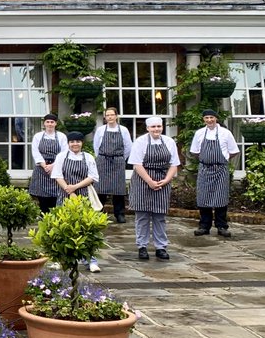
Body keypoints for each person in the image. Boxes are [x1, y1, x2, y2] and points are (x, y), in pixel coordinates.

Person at [128, 116, 180, 261]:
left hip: (163, 179)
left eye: (159, 126)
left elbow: (174, 164)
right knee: (142, 216)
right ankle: (142, 246)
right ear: (147, 128)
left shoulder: (169, 142)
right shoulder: (140, 142)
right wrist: (150, 181)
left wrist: (166, 180)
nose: (156, 129)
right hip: (143, 180)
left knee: (159, 216)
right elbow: (137, 164)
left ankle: (161, 247)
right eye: (153, 127)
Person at [52, 131, 102, 272]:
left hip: (84, 194)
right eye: (72, 142)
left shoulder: (88, 157)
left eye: (78, 142)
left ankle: (90, 261)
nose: (75, 144)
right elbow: (57, 175)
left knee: (85, 228)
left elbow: (92, 176)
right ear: (68, 143)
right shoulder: (61, 157)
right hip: (65, 194)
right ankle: (59, 260)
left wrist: (75, 187)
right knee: (62, 227)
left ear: (82, 143)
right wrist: (70, 191)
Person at [190, 109, 240, 237]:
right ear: (203, 119)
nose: (209, 120)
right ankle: (204, 226)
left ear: (216, 118)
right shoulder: (200, 133)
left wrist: (224, 159)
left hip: (221, 169)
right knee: (203, 198)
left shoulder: (225, 133)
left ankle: (222, 226)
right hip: (204, 169)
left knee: (221, 198)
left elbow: (234, 151)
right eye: (206, 118)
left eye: (211, 117)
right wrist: (206, 160)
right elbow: (195, 151)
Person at [93, 107, 133, 223]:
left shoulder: (123, 130)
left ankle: (119, 214)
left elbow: (128, 147)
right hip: (102, 160)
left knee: (118, 190)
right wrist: (101, 157)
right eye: (107, 115)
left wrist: (120, 158)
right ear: (105, 117)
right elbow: (96, 146)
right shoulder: (100, 130)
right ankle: (98, 213)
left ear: (116, 116)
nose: (110, 117)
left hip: (118, 161)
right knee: (100, 188)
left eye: (112, 115)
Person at [28, 114, 67, 212]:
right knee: (42, 198)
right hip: (41, 169)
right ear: (44, 123)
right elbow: (35, 152)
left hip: (57, 168)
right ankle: (44, 217)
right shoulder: (38, 136)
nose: (50, 124)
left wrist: (53, 166)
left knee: (56, 195)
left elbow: (64, 152)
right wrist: (44, 165)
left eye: (52, 122)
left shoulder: (62, 136)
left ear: (56, 124)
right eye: (48, 122)